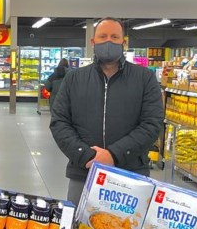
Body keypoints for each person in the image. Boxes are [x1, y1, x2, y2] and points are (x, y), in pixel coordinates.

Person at [49, 18, 164, 204]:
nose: (108, 41)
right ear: (93, 42)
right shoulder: (74, 79)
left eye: (114, 36)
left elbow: (152, 123)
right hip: (83, 172)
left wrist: (114, 155)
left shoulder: (145, 78)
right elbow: (59, 122)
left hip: (131, 174)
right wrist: (86, 155)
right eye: (103, 36)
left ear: (123, 42)